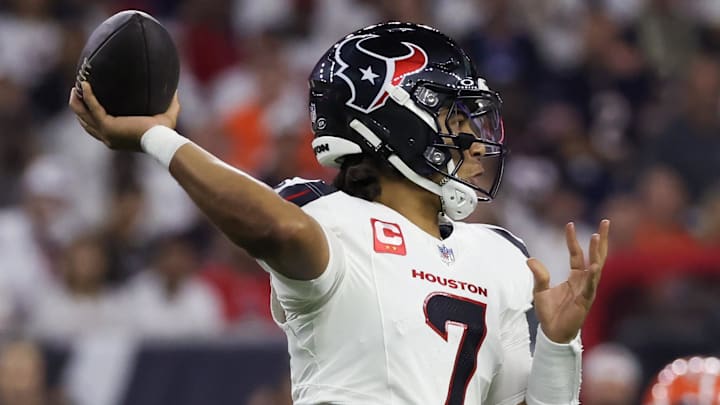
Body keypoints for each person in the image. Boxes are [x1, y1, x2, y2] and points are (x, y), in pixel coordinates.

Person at [70, 21, 610, 405]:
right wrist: (159, 137)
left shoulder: (499, 253)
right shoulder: (327, 217)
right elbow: (271, 226)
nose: (470, 138)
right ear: (393, 118)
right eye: (452, 116)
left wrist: (560, 345)